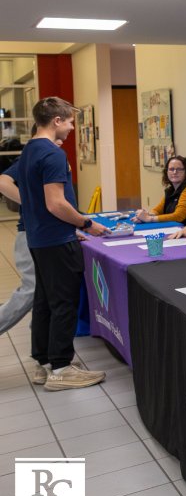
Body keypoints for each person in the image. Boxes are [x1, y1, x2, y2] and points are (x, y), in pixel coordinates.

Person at [14, 97, 110, 391]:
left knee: (44, 301)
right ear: (56, 120)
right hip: (56, 241)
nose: (71, 128)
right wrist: (86, 223)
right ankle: (61, 368)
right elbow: (56, 203)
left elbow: (34, 201)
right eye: (69, 122)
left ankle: (43, 363)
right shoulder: (53, 154)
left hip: (39, 238)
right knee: (64, 303)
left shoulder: (29, 150)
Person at [0, 134, 64, 358]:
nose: (62, 142)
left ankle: (42, 355)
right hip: (31, 233)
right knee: (31, 290)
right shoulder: (34, 157)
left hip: (46, 234)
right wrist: (30, 201)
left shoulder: (52, 158)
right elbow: (3, 180)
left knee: (43, 297)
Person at [135, 155, 186, 225]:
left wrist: (149, 219)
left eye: (179, 169)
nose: (174, 172)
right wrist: (145, 215)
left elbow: (179, 216)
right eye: (171, 169)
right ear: (167, 172)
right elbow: (158, 210)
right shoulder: (171, 190)